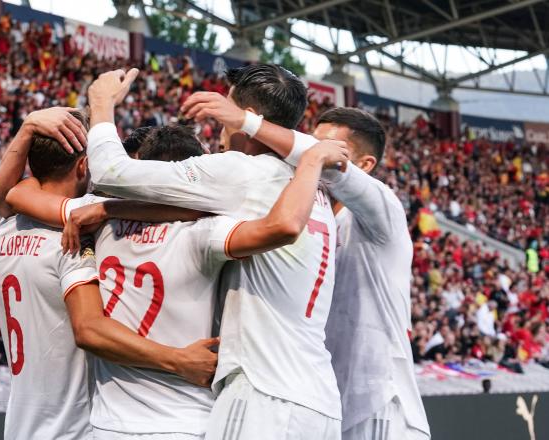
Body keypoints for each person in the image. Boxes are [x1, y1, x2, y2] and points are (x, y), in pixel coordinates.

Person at [0, 122, 347, 440]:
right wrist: (310, 163)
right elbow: (279, 228)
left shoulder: (96, 222)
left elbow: (12, 194)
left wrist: (32, 130)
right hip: (188, 422)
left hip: (108, 424)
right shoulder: (207, 230)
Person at [84, 65, 344, 439]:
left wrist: (101, 102)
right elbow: (196, 208)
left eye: (227, 112)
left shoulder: (241, 171)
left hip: (263, 393)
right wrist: (110, 209)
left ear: (246, 118)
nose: (221, 128)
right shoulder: (311, 180)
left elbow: (110, 172)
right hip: (318, 398)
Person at [180, 96, 431, 440]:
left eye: (326, 146)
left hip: (380, 405)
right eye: (313, 141)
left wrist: (246, 121)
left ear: (366, 164)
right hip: (325, 405)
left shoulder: (382, 210)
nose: (313, 153)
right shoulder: (313, 214)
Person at [0, 108, 222, 440]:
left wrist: (26, 130)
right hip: (74, 427)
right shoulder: (78, 232)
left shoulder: (2, 229)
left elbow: (3, 195)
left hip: (21, 425)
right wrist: (178, 360)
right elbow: (90, 330)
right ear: (84, 165)